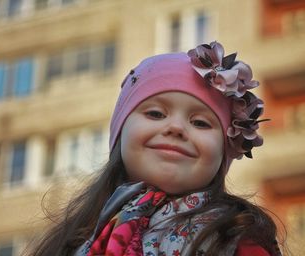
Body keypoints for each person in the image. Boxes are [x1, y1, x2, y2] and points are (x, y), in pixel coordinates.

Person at [27, 41, 284, 256]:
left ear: (223, 150)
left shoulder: (234, 236)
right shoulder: (70, 243)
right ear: (121, 133)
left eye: (200, 122)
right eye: (155, 113)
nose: (176, 127)